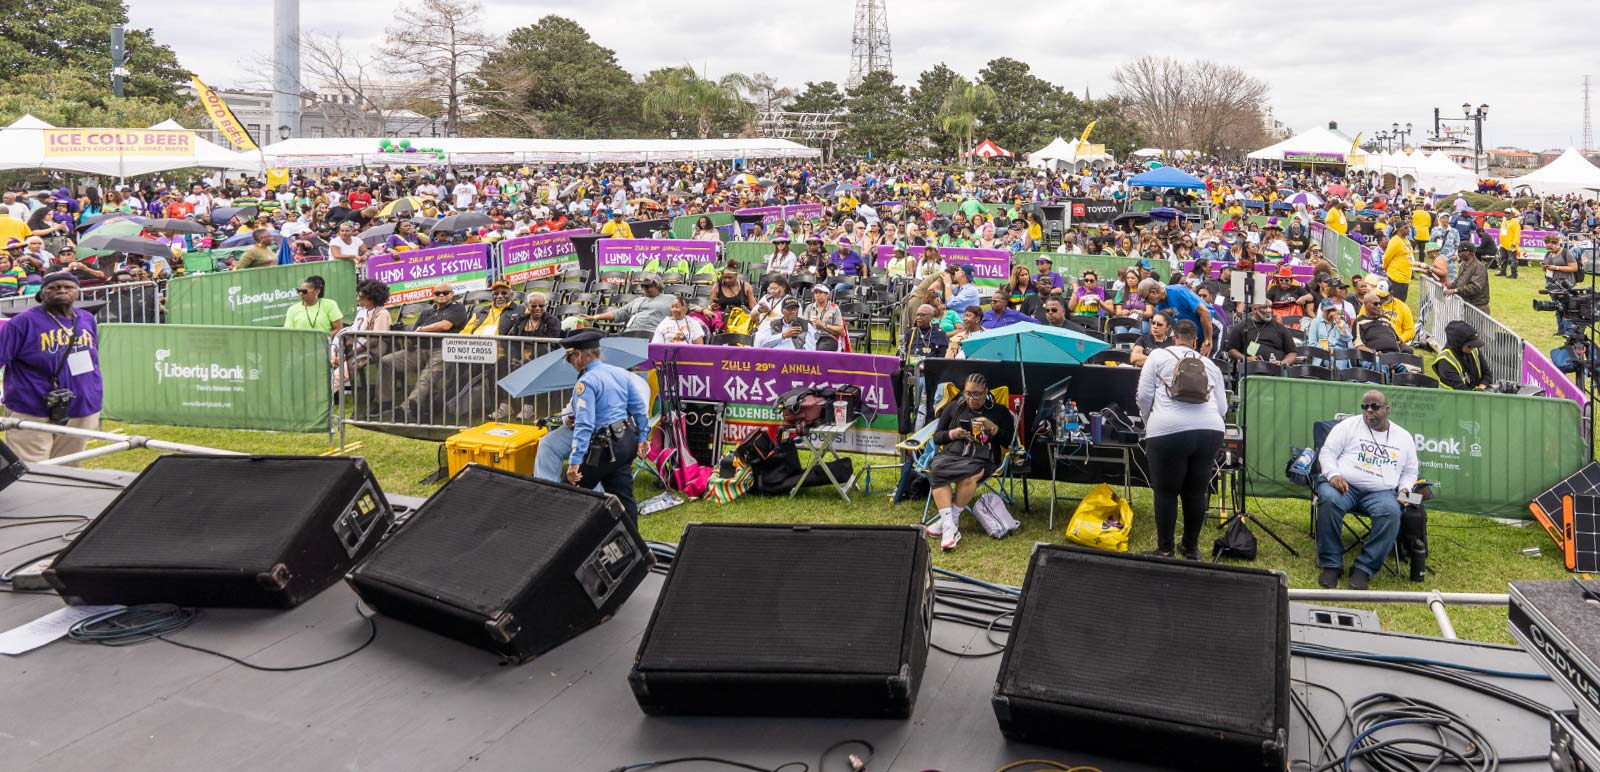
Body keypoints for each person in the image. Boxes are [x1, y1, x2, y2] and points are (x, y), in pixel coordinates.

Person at [1135, 319, 1227, 560]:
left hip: (1167, 429)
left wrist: (1149, 422)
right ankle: (1191, 548)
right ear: (1195, 341)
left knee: (1166, 492)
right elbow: (1223, 407)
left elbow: (1143, 397)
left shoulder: (1156, 356)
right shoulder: (1209, 364)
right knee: (1196, 491)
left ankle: (1165, 549)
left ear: (1173, 337)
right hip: (1209, 431)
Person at [1315, 390, 1419, 590]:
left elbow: (1410, 471)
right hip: (1345, 486)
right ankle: (1331, 564)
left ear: (1387, 410)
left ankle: (1364, 568)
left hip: (1381, 492)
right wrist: (1333, 475)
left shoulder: (1403, 437)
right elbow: (1327, 453)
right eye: (1365, 407)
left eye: (1374, 406)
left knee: (1391, 511)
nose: (1369, 411)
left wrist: (1406, 489)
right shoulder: (1347, 426)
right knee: (1328, 498)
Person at [0, 273, 102, 463]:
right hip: (32, 407)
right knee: (31, 468)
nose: (62, 290)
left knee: (68, 467)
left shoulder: (86, 319)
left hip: (82, 406)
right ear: (41, 294)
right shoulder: (22, 323)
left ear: (78, 292)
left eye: (68, 287)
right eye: (54, 287)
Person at [559, 329, 650, 521]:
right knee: (623, 499)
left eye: (571, 358)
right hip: (626, 441)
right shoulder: (620, 373)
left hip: (605, 446)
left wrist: (575, 461)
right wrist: (643, 437)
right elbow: (639, 408)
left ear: (581, 355)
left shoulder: (586, 382)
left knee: (568, 493)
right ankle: (636, 545)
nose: (572, 364)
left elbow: (584, 424)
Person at [923, 373, 1016, 551]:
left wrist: (992, 427)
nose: (971, 398)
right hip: (953, 455)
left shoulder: (999, 411)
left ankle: (949, 523)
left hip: (981, 457)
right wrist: (953, 434)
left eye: (976, 394)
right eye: (967, 393)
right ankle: (950, 524)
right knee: (937, 470)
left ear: (986, 392)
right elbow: (937, 437)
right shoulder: (954, 408)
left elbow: (1009, 441)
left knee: (968, 476)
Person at [380, 282, 467, 419]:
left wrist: (422, 330)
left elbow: (445, 326)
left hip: (443, 349)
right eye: (438, 293)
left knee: (425, 378)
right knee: (386, 361)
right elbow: (415, 332)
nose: (442, 295)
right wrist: (411, 341)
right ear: (433, 296)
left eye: (445, 292)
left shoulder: (458, 308)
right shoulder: (426, 313)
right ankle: (384, 402)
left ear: (452, 294)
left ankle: (405, 409)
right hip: (420, 349)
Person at [585, 273, 674, 337]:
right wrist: (594, 317)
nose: (645, 289)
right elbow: (618, 313)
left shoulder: (670, 299)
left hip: (653, 332)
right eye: (643, 287)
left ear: (657, 286)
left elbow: (685, 310)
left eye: (648, 287)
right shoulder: (638, 300)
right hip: (631, 332)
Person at [1139, 278, 1214, 355]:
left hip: (1211, 327)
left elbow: (1205, 313)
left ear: (1153, 292)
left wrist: (1208, 341)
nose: (1146, 303)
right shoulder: (1159, 307)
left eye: (1146, 299)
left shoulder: (1178, 291)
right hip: (1193, 337)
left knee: (1211, 362)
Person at [1225, 302, 1298, 365]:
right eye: (1264, 307)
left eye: (1270, 307)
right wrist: (1246, 359)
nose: (1269, 310)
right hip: (1250, 369)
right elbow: (1231, 350)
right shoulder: (1240, 327)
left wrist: (1282, 363)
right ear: (1254, 309)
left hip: (1276, 370)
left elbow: (1292, 353)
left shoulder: (1280, 328)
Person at [1433, 320, 1493, 391]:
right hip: (1453, 400)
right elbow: (1463, 393)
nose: (1473, 347)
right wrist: (1479, 393)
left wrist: (1481, 388)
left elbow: (1487, 374)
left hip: (1475, 396)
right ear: (1459, 344)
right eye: (1470, 346)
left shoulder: (1473, 350)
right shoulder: (1445, 362)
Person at [1542, 233, 1581, 336]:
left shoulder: (1565, 253)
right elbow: (1546, 267)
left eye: (1551, 247)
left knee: (1566, 307)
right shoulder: (1548, 254)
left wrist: (1557, 268)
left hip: (1565, 283)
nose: (1549, 250)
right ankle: (1561, 330)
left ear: (1556, 244)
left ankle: (1569, 331)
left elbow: (1574, 268)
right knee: (1556, 307)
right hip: (1551, 283)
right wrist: (1545, 267)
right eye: (1547, 247)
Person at [1443, 242, 1490, 314]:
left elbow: (1475, 287)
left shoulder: (1479, 267)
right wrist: (1447, 286)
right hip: (1466, 305)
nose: (1458, 254)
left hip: (1478, 308)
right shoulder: (1463, 265)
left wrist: (1455, 290)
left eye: (1459, 252)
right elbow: (1459, 280)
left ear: (1467, 253)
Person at [804, 284, 846, 351]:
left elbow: (841, 331)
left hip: (828, 338)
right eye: (815, 293)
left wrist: (823, 325)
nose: (817, 295)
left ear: (827, 294)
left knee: (821, 348)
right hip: (811, 337)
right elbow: (803, 326)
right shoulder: (809, 307)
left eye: (820, 292)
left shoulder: (834, 308)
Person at [1380, 221, 1413, 302]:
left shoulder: (1406, 240)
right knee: (1397, 301)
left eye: (1408, 227)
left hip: (1405, 276)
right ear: (1398, 229)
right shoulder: (1395, 241)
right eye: (1406, 227)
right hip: (1396, 276)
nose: (1408, 229)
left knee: (1402, 300)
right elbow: (1387, 257)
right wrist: (1384, 267)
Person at [1496, 208, 1521, 278]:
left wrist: (1515, 243)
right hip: (1503, 244)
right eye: (1505, 213)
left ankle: (1514, 274)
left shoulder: (1515, 222)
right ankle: (1503, 271)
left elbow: (1517, 233)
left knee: (1512, 260)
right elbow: (1502, 232)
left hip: (1511, 244)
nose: (1506, 214)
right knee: (1503, 258)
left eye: (1508, 213)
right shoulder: (1504, 221)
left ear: (1512, 214)